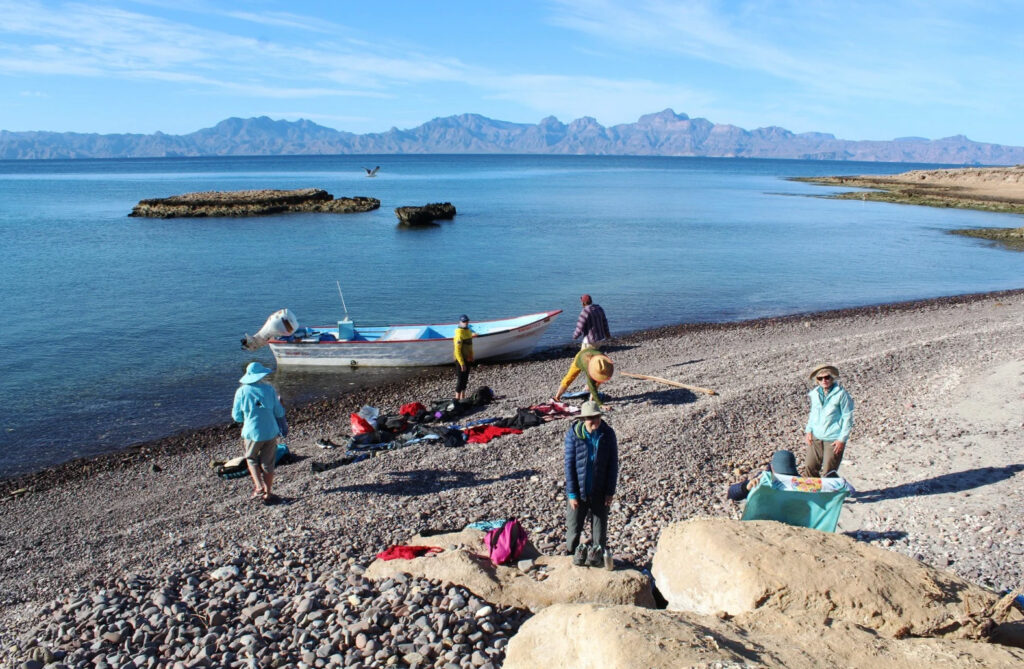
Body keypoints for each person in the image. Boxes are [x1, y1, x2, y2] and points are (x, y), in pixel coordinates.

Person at [564, 401, 618, 569]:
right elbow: (569, 465)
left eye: (596, 417)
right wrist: (572, 494)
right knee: (573, 529)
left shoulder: (608, 434)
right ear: (583, 419)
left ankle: (597, 559)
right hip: (579, 492)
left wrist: (610, 491)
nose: (594, 421)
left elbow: (613, 464)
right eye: (590, 418)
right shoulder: (573, 435)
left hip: (600, 491)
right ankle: (571, 558)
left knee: (599, 532)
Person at [231, 361, 286, 505]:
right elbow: (279, 411)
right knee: (268, 463)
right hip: (270, 430)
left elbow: (236, 416)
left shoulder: (241, 392)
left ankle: (258, 486)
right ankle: (268, 493)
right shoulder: (269, 390)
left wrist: (248, 416)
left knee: (251, 458)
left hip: (252, 432)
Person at [803, 364, 854, 478]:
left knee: (829, 472)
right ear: (817, 380)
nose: (824, 380)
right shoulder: (815, 394)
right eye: (820, 378)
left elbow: (848, 417)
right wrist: (809, 430)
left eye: (827, 377)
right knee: (810, 467)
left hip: (833, 438)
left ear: (832, 378)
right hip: (816, 436)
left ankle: (830, 494)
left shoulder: (842, 394)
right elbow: (813, 413)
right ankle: (811, 494)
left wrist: (842, 439)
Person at [727, 450, 798, 501]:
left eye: (787, 474)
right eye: (780, 473)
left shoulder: (797, 481)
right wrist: (746, 488)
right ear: (772, 467)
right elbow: (731, 493)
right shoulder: (764, 478)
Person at [453, 314, 475, 400]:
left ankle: (463, 397)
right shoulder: (459, 334)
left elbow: (470, 345)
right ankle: (456, 400)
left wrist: (471, 355)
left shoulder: (468, 331)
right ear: (460, 322)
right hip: (460, 360)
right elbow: (457, 351)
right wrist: (462, 363)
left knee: (465, 379)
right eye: (464, 321)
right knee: (460, 380)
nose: (465, 323)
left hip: (468, 358)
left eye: (466, 321)